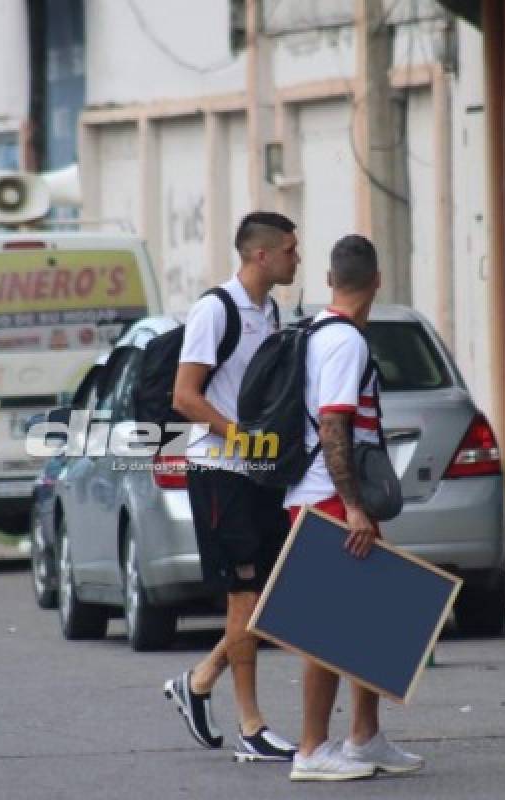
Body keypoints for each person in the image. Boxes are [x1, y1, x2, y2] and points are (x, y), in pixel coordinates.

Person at [284, 234, 423, 782]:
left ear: (329, 280)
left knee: (376, 612)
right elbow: (334, 425)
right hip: (329, 495)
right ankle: (311, 749)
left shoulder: (319, 331)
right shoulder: (345, 343)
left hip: (334, 493)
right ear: (378, 282)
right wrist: (353, 508)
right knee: (328, 625)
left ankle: (364, 736)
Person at [163, 211, 301, 763]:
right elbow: (185, 397)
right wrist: (243, 439)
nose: (297, 258)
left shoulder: (271, 310)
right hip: (221, 472)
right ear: (261, 255)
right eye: (291, 249)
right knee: (244, 596)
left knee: (267, 598)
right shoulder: (214, 310)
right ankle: (252, 727)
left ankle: (199, 679)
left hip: (261, 471)